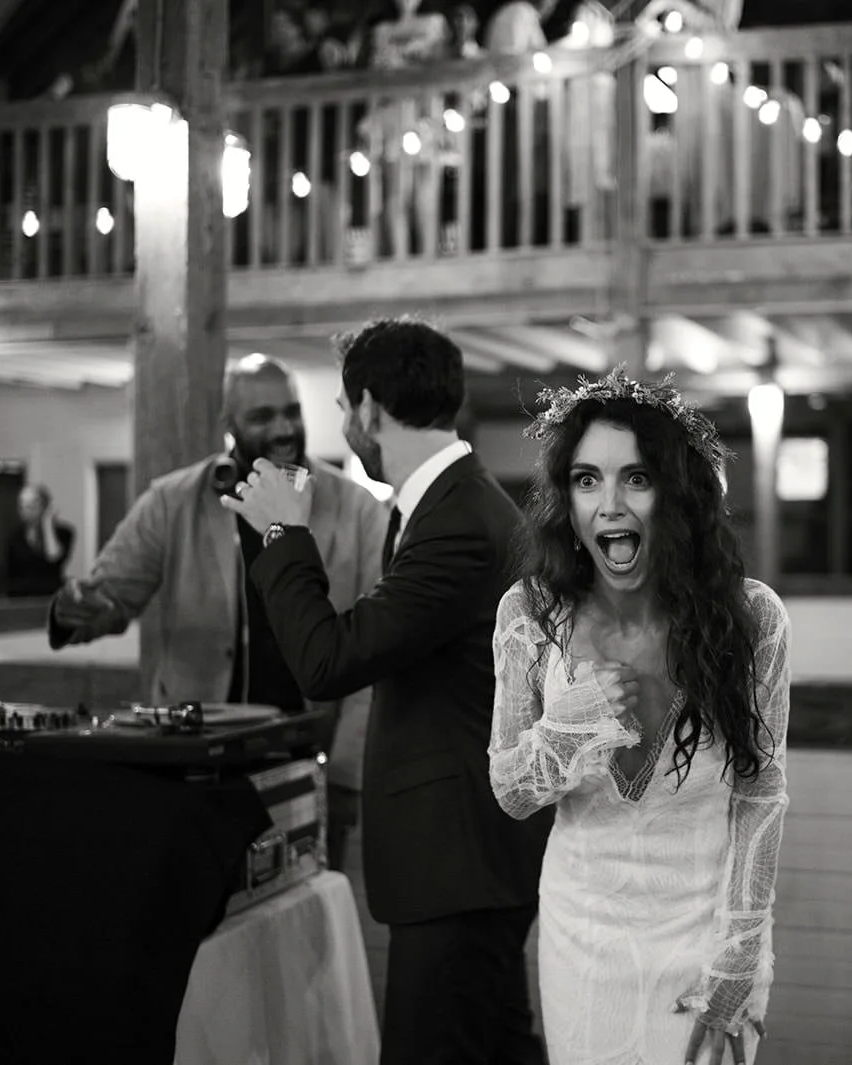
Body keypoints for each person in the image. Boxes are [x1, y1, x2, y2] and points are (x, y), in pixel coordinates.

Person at [223, 318, 549, 1065]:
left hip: (461, 860)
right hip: (469, 859)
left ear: (369, 408)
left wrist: (281, 535)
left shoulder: (460, 520)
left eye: (343, 408)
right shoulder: (447, 505)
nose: (343, 425)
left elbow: (328, 660)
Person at [486, 367, 791, 1065]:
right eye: (587, 479)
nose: (610, 504)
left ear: (677, 494)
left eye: (637, 478)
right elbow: (511, 791)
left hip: (703, 933)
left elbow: (760, 792)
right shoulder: (531, 616)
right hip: (582, 937)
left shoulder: (753, 620)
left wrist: (741, 952)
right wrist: (570, 725)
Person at [47, 354, 389, 872]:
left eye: (292, 411)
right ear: (228, 425)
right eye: (263, 416)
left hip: (304, 756)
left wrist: (344, 772)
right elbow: (110, 598)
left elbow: (371, 658)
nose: (284, 428)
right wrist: (76, 611)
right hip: (199, 758)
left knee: (308, 917)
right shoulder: (173, 501)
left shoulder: (355, 508)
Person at [6, 485, 75, 597]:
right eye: (23, 506)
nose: (26, 511)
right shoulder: (15, 536)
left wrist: (47, 524)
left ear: (44, 507)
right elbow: (11, 573)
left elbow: (54, 558)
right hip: (22, 597)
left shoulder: (64, 533)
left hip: (51, 596)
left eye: (32, 506)